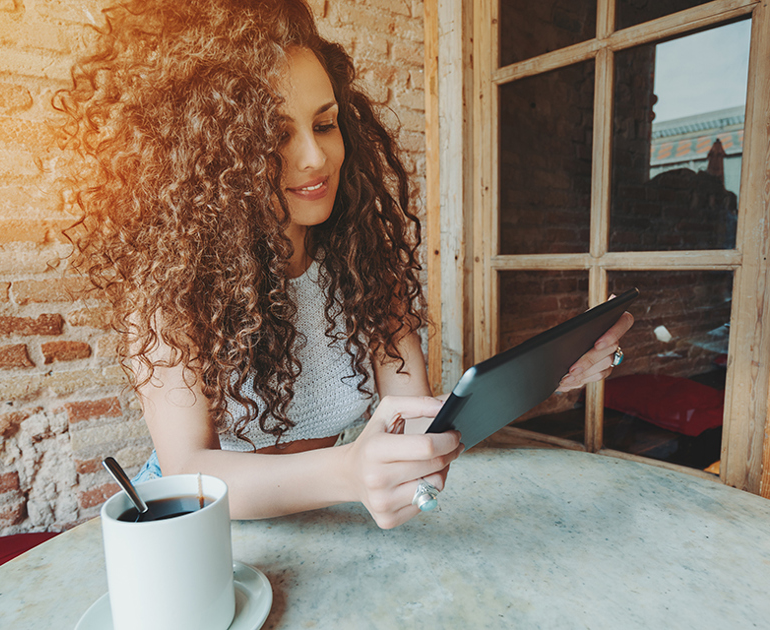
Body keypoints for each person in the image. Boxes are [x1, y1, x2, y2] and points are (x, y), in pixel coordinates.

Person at [55, 0, 633, 529]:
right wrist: (349, 473)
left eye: (324, 124)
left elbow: (412, 426)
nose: (315, 157)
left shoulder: (364, 267)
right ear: (211, 155)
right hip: (198, 537)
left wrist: (537, 377)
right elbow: (188, 472)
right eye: (276, 135)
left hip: (326, 523)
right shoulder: (172, 289)